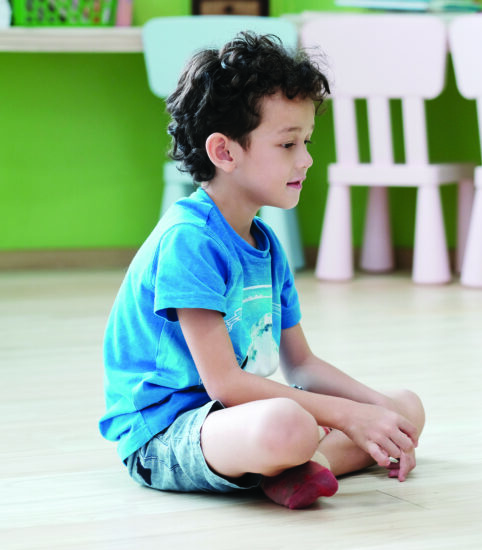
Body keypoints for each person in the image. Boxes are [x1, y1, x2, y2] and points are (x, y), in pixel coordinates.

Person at [98, 31, 425, 510]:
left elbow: (303, 365)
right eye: (289, 144)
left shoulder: (266, 244)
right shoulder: (189, 241)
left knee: (403, 410)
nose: (307, 159)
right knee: (289, 424)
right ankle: (299, 457)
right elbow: (225, 385)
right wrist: (346, 416)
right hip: (170, 432)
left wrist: (373, 412)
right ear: (225, 152)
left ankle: (297, 468)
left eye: (306, 141)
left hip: (242, 418)